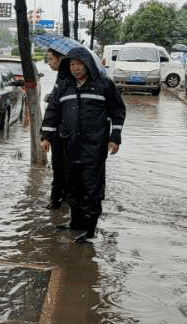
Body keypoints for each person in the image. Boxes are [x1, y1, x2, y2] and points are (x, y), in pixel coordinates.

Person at [40, 46, 126, 243]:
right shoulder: (64, 87)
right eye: (71, 65)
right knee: (71, 187)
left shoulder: (104, 85)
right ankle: (75, 224)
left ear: (87, 65)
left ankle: (90, 230)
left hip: (94, 147)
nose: (75, 68)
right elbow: (53, 112)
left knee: (91, 188)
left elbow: (117, 112)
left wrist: (115, 138)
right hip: (69, 146)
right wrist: (46, 137)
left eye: (79, 64)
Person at [43, 48, 71, 209]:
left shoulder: (65, 77)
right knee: (62, 165)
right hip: (62, 130)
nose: (49, 63)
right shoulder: (63, 76)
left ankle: (57, 199)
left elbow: (58, 105)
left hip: (63, 131)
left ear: (59, 58)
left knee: (60, 165)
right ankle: (62, 198)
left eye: (50, 59)